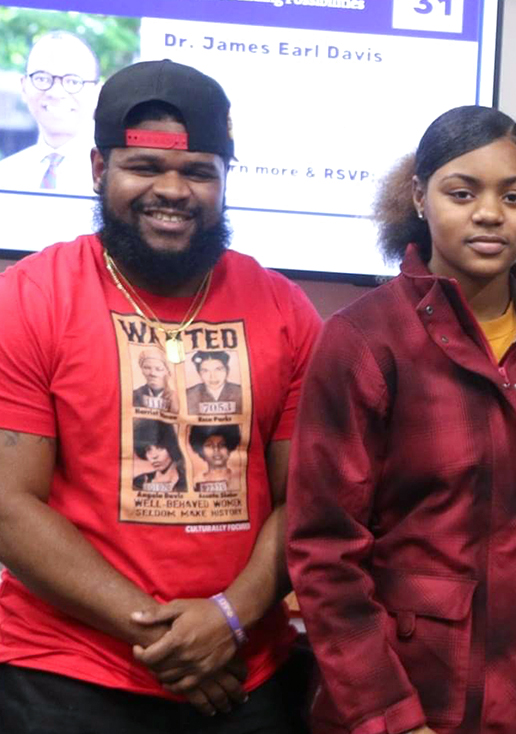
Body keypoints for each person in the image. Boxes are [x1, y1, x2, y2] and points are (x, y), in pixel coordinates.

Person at [0, 59, 321, 732]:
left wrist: (229, 618)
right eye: (144, 168)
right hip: (67, 671)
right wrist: (169, 637)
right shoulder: (30, 297)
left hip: (244, 671)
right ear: (98, 168)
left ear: (227, 179)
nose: (172, 190)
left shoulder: (287, 311)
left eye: (199, 172)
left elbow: (310, 500)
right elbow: (8, 504)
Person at [285, 105, 516, 734]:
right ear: (420, 196)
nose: (490, 213)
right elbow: (325, 550)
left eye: (515, 195)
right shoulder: (364, 339)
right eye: (462, 192)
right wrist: (389, 716)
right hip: (407, 696)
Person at [0, 30, 100, 194]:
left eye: (73, 81)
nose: (56, 92)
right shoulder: (6, 175)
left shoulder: (116, 174)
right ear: (24, 86)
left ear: (97, 93)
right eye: (42, 79)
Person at [133, 419, 188, 493]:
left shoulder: (186, 483)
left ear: (171, 447)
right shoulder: (138, 481)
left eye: (160, 448)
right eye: (148, 449)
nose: (154, 456)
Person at [186, 349, 243, 416]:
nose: (213, 377)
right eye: (205, 371)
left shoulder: (240, 392)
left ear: (227, 370)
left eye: (218, 369)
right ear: (199, 374)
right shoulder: (189, 395)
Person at [133, 347, 180, 413]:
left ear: (168, 372)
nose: (152, 373)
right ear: (142, 370)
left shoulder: (177, 398)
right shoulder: (134, 395)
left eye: (159, 369)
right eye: (147, 368)